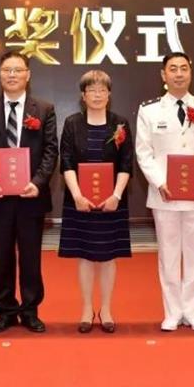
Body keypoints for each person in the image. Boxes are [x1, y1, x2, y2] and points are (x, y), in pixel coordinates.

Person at [0, 51, 58, 333]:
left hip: (31, 196)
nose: (12, 75)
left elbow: (50, 150)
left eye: (18, 70)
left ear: (28, 75)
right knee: (1, 257)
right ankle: (5, 310)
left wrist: (38, 182)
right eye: (7, 70)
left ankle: (30, 310)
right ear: (0, 74)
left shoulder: (44, 109)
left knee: (31, 257)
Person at [135, 52, 194, 332]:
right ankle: (173, 312)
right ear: (163, 75)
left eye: (183, 68)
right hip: (165, 196)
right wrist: (159, 182)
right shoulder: (149, 111)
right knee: (169, 255)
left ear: (190, 73)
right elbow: (144, 152)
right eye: (172, 69)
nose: (178, 74)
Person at [57, 70, 133, 334]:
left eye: (102, 90)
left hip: (113, 200)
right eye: (92, 90)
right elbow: (66, 161)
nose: (97, 95)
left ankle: (107, 309)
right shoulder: (72, 123)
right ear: (83, 95)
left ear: (109, 94)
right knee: (86, 256)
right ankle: (87, 309)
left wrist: (116, 196)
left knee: (109, 256)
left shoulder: (120, 124)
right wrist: (77, 195)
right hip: (80, 200)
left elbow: (126, 163)